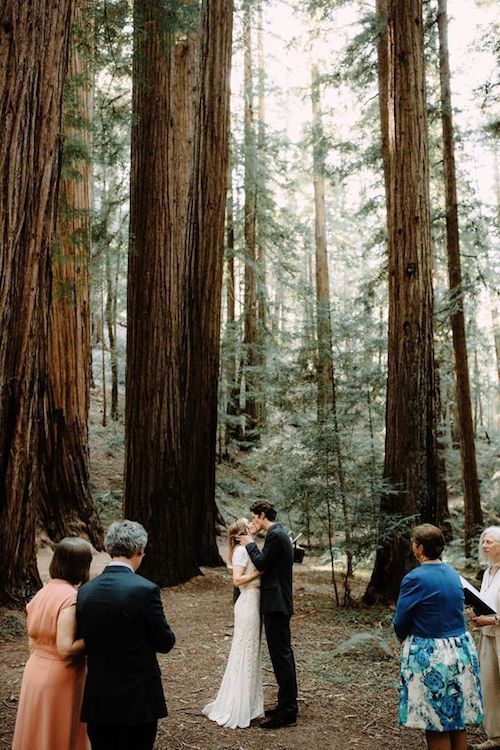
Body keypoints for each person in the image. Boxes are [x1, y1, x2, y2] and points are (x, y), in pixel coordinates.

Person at [77, 520, 176, 750]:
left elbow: (84, 635)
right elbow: (165, 642)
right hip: (138, 698)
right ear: (139, 550)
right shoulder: (145, 590)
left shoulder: (85, 591)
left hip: (98, 696)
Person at [393, 523, 483, 750]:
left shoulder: (415, 578)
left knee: (435, 721)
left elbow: (401, 621)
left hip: (432, 654)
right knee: (455, 718)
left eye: (414, 543)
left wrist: (404, 638)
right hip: (460, 651)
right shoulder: (454, 574)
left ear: (420, 548)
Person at [12, 537, 93, 750]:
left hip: (35, 671)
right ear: (82, 566)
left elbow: (32, 640)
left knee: (38, 732)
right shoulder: (70, 598)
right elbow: (65, 648)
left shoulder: (41, 593)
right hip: (60, 677)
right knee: (57, 733)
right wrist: (96, 638)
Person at [238, 500, 298, 729]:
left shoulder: (275, 535)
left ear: (262, 515)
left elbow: (262, 564)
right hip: (278, 603)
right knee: (283, 656)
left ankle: (288, 712)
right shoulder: (278, 534)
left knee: (281, 657)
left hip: (277, 604)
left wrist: (250, 543)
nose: (253, 521)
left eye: (254, 517)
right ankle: (285, 705)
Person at [202, 518, 264, 728]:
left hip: (254, 601)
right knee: (244, 649)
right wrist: (258, 574)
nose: (251, 527)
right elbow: (236, 580)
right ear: (240, 534)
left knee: (251, 650)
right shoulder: (240, 551)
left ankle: (250, 703)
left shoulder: (249, 548)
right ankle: (237, 704)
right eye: (247, 525)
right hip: (247, 602)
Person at [470, 526, 500, 750]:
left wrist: (489, 620)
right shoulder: (488, 572)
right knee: (489, 685)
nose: (484, 545)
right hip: (488, 636)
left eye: (489, 542)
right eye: (483, 541)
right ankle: (495, 736)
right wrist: (477, 615)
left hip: (497, 630)